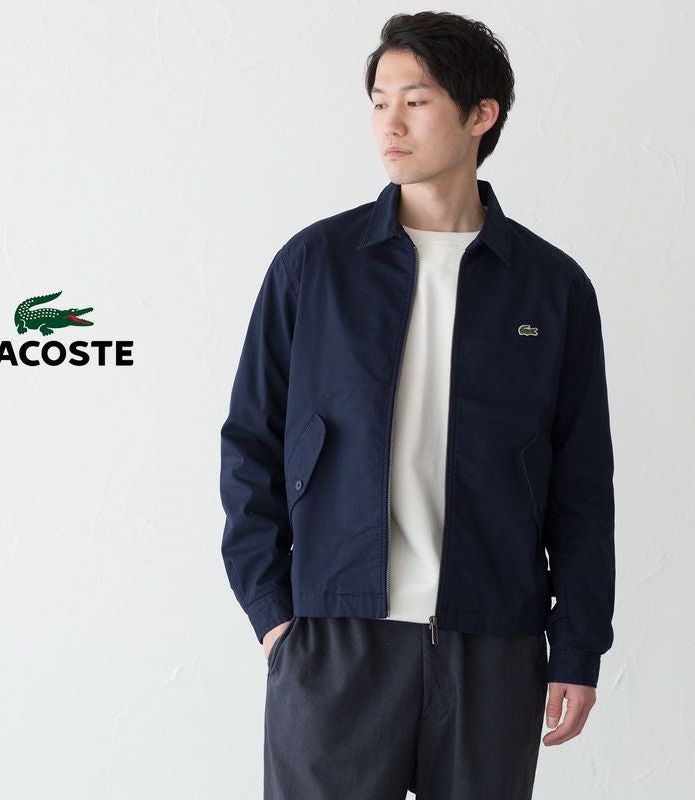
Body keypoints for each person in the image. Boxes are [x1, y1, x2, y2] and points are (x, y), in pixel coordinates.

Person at [219, 10, 615, 800]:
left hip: (492, 645)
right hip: (335, 639)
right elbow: (251, 444)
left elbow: (581, 485)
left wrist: (576, 647)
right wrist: (274, 614)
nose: (389, 123)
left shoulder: (552, 288)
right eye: (378, 101)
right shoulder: (315, 266)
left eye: (416, 100)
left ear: (480, 115)